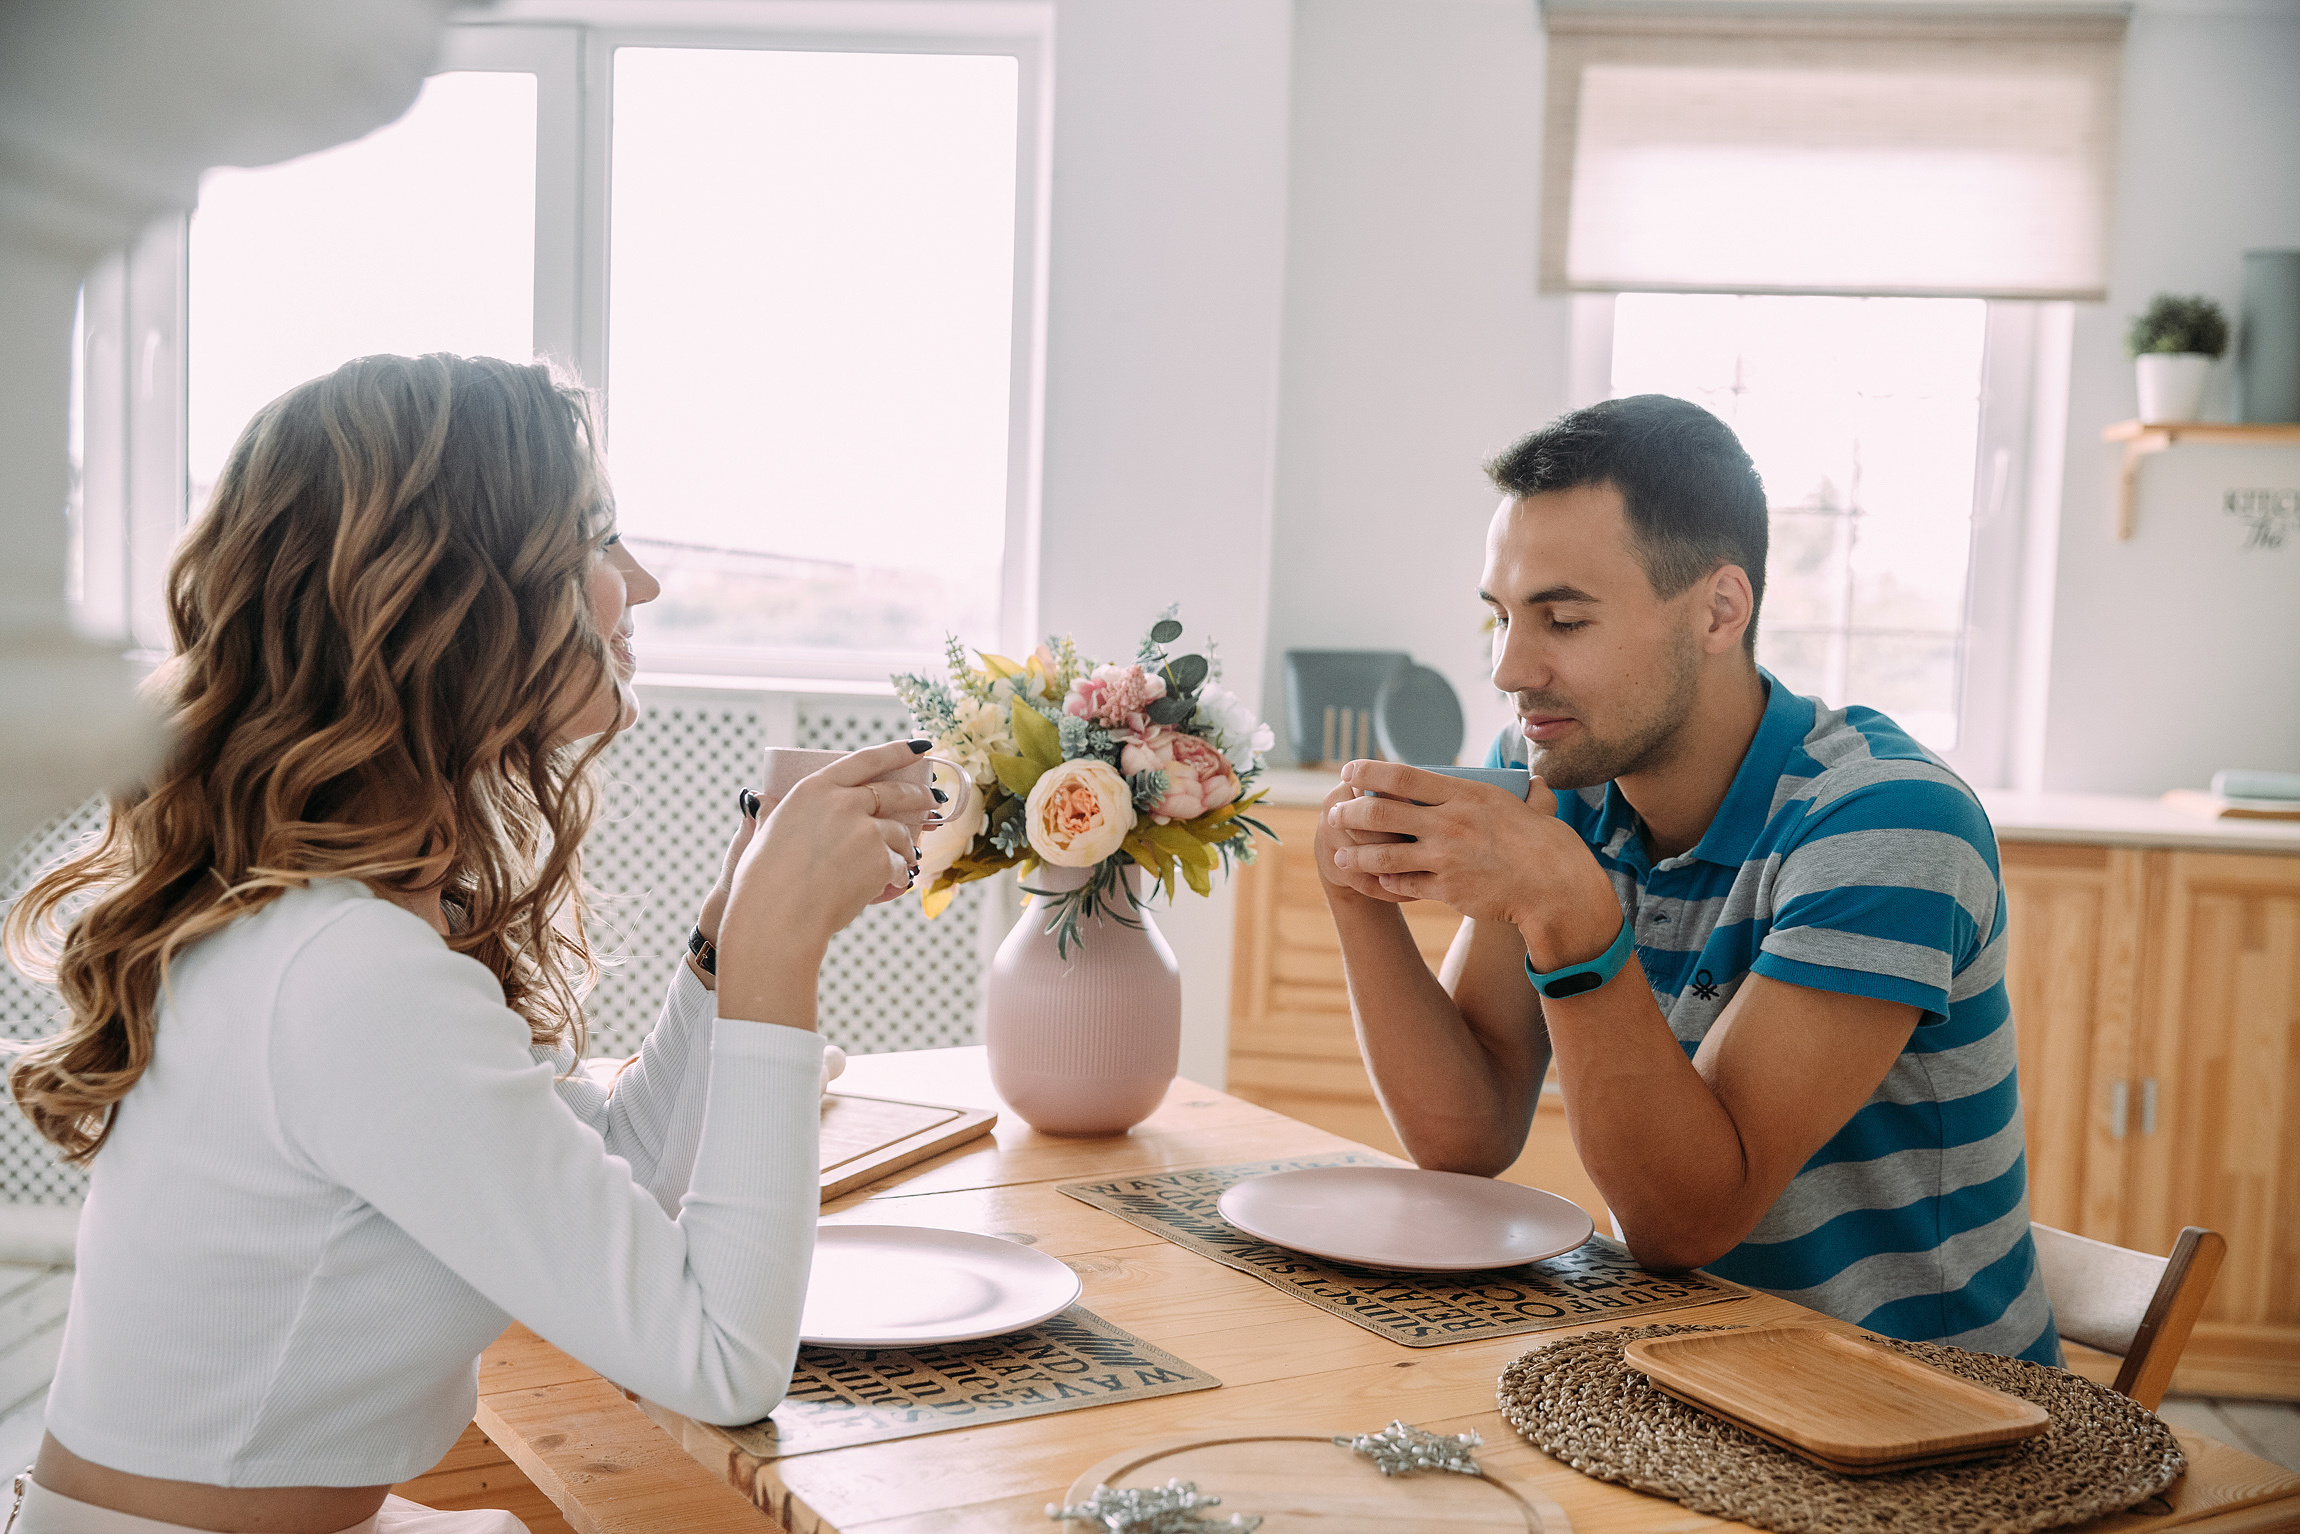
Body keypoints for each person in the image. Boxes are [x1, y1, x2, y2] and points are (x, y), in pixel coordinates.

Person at [1, 353, 933, 1533]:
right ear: (456, 596)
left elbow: (614, 1185)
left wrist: (723, 936)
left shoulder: (337, 918)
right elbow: (720, 1357)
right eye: (597, 538)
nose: (639, 582)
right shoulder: (345, 974)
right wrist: (775, 956)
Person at [1316, 394, 2058, 1364]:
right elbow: (1467, 1135)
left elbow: (1684, 1222)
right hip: (1687, 1362)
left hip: (1922, 1404)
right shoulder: (1560, 772)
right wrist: (1355, 892)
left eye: (1563, 619)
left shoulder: (1888, 823)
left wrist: (1570, 912)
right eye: (1497, 617)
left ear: (1718, 610)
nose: (1507, 669)